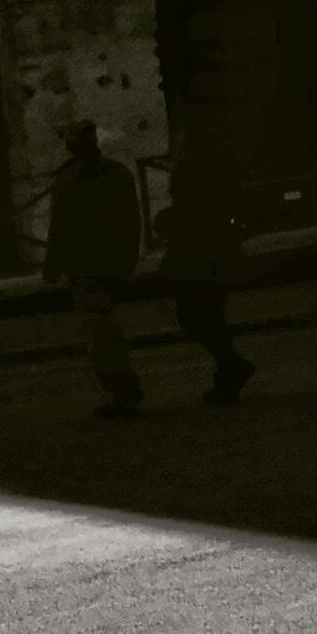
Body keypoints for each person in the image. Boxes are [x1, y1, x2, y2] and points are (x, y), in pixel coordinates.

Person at [41, 120, 147, 418]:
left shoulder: (69, 177)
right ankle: (122, 389)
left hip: (86, 264)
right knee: (104, 329)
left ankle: (122, 391)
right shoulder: (115, 173)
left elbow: (59, 225)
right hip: (104, 262)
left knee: (100, 332)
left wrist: (53, 264)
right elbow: (131, 221)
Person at [152, 149, 259, 405]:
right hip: (214, 260)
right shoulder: (215, 184)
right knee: (210, 317)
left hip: (194, 263)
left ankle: (230, 367)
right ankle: (227, 375)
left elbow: (182, 218)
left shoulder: (194, 185)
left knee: (194, 318)